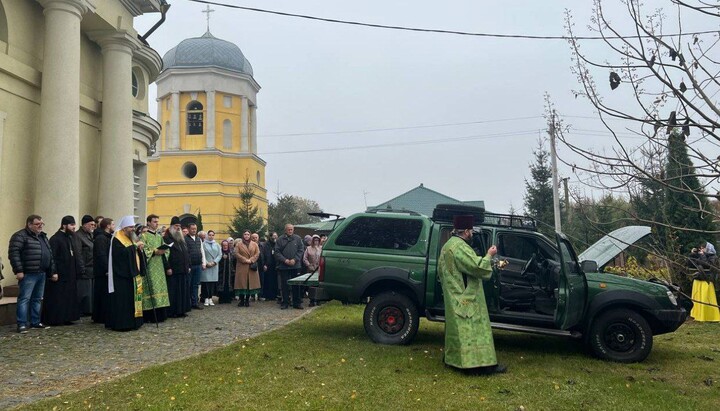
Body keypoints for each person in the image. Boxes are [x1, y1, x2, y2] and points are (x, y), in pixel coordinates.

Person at [437, 215, 506, 375]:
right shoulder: (460, 247)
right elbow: (476, 267)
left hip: (453, 296)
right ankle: (480, 366)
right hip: (467, 297)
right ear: (466, 231)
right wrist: (489, 255)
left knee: (456, 330)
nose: (473, 234)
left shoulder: (447, 245)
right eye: (471, 231)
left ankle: (453, 360)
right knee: (475, 330)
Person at [8, 214, 54, 333]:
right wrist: (18, 270)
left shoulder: (43, 237)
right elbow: (14, 254)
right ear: (29, 224)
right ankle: (22, 323)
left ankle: (35, 321)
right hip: (28, 273)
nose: (40, 226)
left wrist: (52, 271)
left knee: (37, 299)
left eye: (42, 224)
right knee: (24, 298)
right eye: (37, 224)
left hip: (41, 272)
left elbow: (49, 254)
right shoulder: (20, 236)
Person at [106, 216, 145, 331]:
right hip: (122, 275)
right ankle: (123, 324)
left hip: (132, 274)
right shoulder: (117, 238)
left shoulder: (130, 237)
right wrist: (134, 247)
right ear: (124, 228)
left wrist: (139, 249)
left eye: (133, 227)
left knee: (132, 301)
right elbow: (120, 255)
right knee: (123, 301)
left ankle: (134, 322)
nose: (133, 229)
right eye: (130, 227)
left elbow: (132, 252)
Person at [43, 215, 82, 326]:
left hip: (70, 274)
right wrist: (53, 272)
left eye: (74, 224)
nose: (74, 227)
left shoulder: (69, 237)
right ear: (64, 225)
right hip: (60, 274)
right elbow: (52, 257)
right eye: (71, 225)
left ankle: (67, 317)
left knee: (68, 297)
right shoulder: (56, 239)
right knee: (58, 297)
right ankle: (56, 319)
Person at [140, 214, 171, 323]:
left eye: (157, 222)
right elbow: (142, 251)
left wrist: (163, 251)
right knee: (151, 288)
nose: (156, 223)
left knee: (160, 288)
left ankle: (161, 314)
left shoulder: (159, 236)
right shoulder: (143, 236)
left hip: (159, 266)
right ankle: (150, 316)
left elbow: (166, 251)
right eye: (154, 222)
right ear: (148, 223)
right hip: (150, 266)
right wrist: (154, 251)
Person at [165, 217, 191, 317]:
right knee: (174, 292)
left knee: (183, 291)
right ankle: (173, 311)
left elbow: (186, 253)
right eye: (176, 226)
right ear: (171, 227)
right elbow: (165, 255)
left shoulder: (181, 239)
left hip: (183, 269)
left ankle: (182, 310)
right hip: (174, 270)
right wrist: (168, 267)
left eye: (179, 226)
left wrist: (188, 265)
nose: (178, 228)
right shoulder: (167, 238)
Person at [275, 224, 305, 310]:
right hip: (283, 266)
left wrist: (295, 260)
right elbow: (277, 252)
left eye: (291, 229)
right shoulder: (280, 239)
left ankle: (297, 302)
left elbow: (301, 250)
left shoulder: (298, 239)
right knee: (284, 285)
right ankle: (285, 302)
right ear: (285, 230)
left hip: (295, 266)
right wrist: (285, 260)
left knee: (296, 285)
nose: (290, 231)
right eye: (288, 229)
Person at [689, 248, 720, 322]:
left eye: (702, 248)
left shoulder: (713, 257)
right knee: (697, 299)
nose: (701, 250)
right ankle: (696, 315)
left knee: (706, 298)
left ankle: (709, 317)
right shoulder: (698, 255)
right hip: (698, 279)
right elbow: (690, 263)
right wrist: (692, 254)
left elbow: (707, 265)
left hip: (706, 281)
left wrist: (703, 255)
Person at [92, 217, 114, 324]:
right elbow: (102, 255)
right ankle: (99, 316)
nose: (114, 226)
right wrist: (107, 268)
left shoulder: (107, 237)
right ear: (108, 226)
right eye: (112, 224)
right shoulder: (101, 238)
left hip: (105, 271)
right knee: (101, 294)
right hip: (102, 272)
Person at [234, 230, 260, 307]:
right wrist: (245, 260)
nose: (246, 236)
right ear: (243, 235)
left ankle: (247, 300)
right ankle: (242, 300)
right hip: (242, 266)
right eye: (245, 234)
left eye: (248, 234)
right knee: (242, 284)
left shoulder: (254, 244)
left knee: (250, 284)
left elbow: (257, 253)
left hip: (251, 266)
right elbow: (236, 253)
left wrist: (251, 260)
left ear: (250, 235)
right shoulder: (239, 244)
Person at [75, 214, 95, 316]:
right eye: (91, 224)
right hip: (84, 267)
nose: (93, 226)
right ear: (85, 224)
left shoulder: (90, 235)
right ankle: (82, 310)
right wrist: (81, 268)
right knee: (84, 292)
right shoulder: (78, 235)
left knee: (90, 292)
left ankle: (88, 310)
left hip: (91, 267)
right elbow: (78, 254)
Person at [185, 223, 205, 310]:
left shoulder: (198, 239)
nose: (194, 230)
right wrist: (187, 265)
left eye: (195, 229)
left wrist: (203, 263)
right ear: (189, 229)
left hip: (198, 265)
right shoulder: (185, 239)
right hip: (190, 266)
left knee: (196, 284)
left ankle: (195, 302)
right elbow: (185, 253)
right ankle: (188, 303)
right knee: (188, 284)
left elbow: (202, 251)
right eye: (192, 229)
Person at [201, 230, 221, 306]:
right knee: (206, 283)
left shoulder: (217, 244)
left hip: (214, 266)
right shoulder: (203, 244)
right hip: (206, 265)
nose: (211, 236)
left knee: (212, 283)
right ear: (207, 235)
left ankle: (210, 298)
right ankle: (206, 298)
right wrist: (206, 262)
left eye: (212, 235)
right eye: (209, 235)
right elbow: (202, 254)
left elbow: (220, 254)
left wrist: (214, 262)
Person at [302, 234, 323, 307]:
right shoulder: (308, 248)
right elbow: (304, 258)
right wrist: (308, 265)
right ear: (312, 240)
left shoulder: (321, 248)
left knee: (319, 285)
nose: (316, 241)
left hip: (320, 269)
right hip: (311, 269)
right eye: (315, 240)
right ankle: (311, 300)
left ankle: (318, 300)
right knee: (311, 286)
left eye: (317, 240)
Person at [261, 232, 278, 302]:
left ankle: (274, 295)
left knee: (275, 280)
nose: (275, 237)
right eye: (274, 236)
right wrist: (265, 264)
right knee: (268, 281)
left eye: (276, 236)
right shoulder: (266, 244)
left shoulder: (277, 244)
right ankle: (267, 295)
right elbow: (264, 254)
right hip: (268, 264)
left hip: (276, 264)